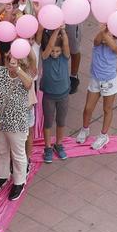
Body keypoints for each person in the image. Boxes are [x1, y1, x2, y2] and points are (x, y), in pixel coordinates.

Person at [0, 51, 32, 200]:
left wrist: (18, 70)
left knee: (18, 154)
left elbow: (29, 84)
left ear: (22, 63)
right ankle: (2, 176)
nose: (11, 64)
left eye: (16, 61)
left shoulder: (24, 76)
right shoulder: (0, 72)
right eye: (9, 60)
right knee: (1, 150)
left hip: (16, 123)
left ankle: (19, 182)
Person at [73, 26, 117, 151]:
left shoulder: (116, 48)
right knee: (88, 108)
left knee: (107, 109)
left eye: (111, 34)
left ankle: (104, 135)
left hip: (109, 81)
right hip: (95, 79)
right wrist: (105, 30)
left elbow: (114, 46)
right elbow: (96, 40)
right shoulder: (98, 44)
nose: (107, 36)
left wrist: (107, 31)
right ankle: (85, 129)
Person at [55, 0, 90, 92]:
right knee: (57, 46)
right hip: (57, 19)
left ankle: (74, 76)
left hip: (72, 23)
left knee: (74, 49)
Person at [40, 26, 71, 161]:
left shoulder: (65, 56)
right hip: (49, 96)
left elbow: (65, 44)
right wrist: (57, 31)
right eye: (52, 50)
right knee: (48, 123)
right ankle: (47, 148)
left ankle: (59, 144)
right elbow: (51, 45)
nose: (54, 53)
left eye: (57, 51)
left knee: (61, 121)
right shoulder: (45, 57)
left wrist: (63, 31)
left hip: (63, 95)